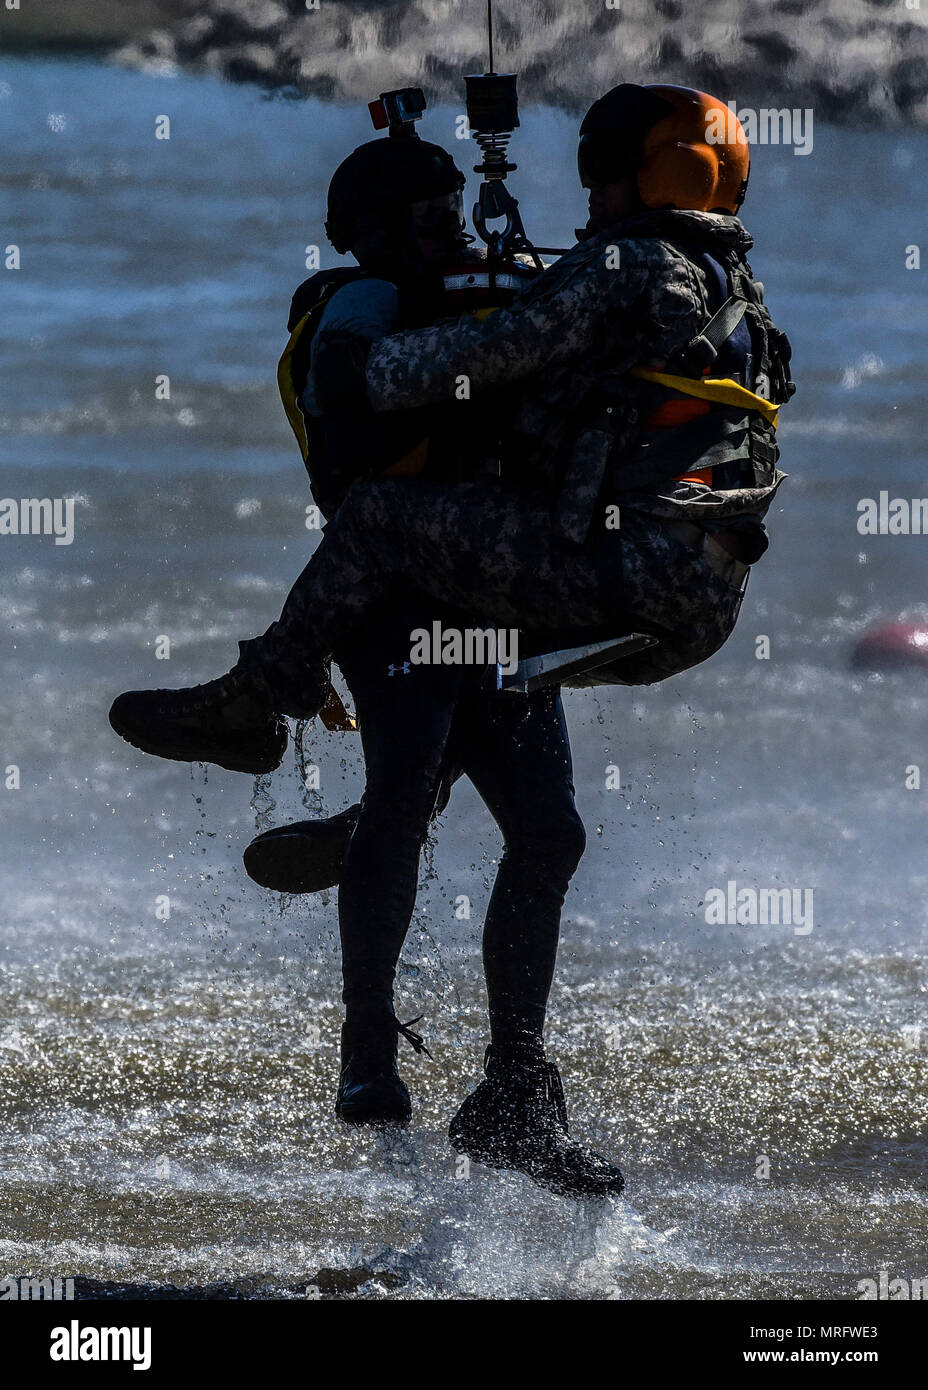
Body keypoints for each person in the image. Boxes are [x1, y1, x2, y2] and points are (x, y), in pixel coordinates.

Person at [111, 81, 795, 1189]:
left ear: (634, 173)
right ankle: (426, 1062)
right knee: (458, 801)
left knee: (486, 805)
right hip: (621, 595)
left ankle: (260, 701)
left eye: (455, 217)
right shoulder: (725, 277)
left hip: (538, 570)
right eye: (431, 223)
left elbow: (496, 354)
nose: (457, 234)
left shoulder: (610, 272)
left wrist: (407, 361)